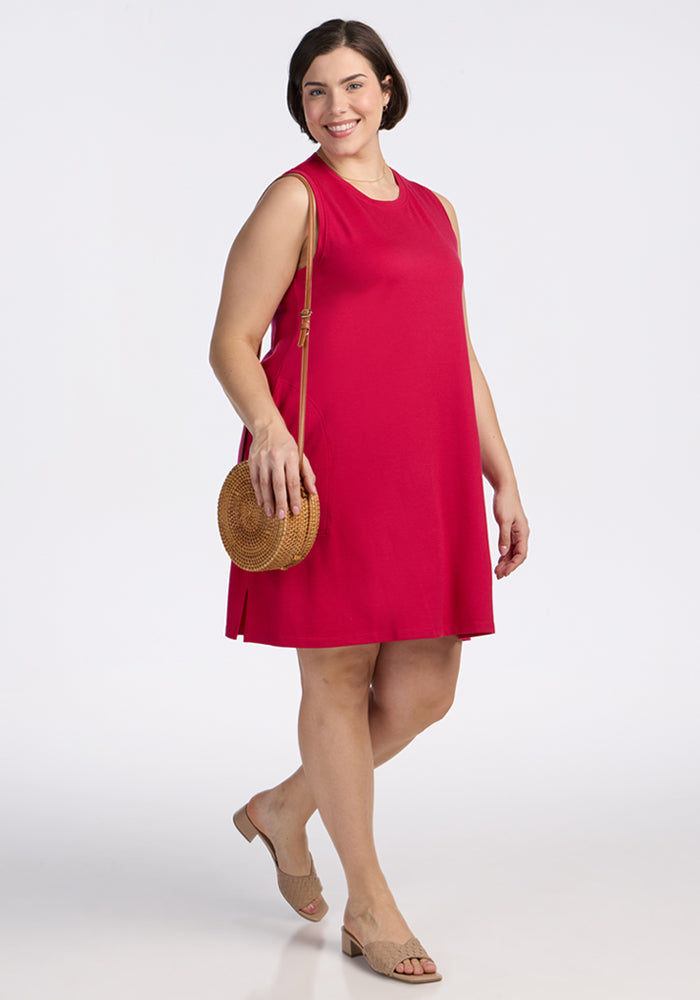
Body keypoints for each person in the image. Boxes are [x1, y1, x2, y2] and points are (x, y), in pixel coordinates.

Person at [209, 18, 529, 985]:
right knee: (338, 682)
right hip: (324, 469)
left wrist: (502, 471)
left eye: (352, 86)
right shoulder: (294, 201)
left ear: (387, 91)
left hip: (425, 474)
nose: (335, 107)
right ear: (301, 106)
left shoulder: (437, 211)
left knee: (427, 688)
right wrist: (269, 429)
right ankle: (370, 903)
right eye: (315, 91)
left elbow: (452, 350)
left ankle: (282, 807)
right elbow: (232, 340)